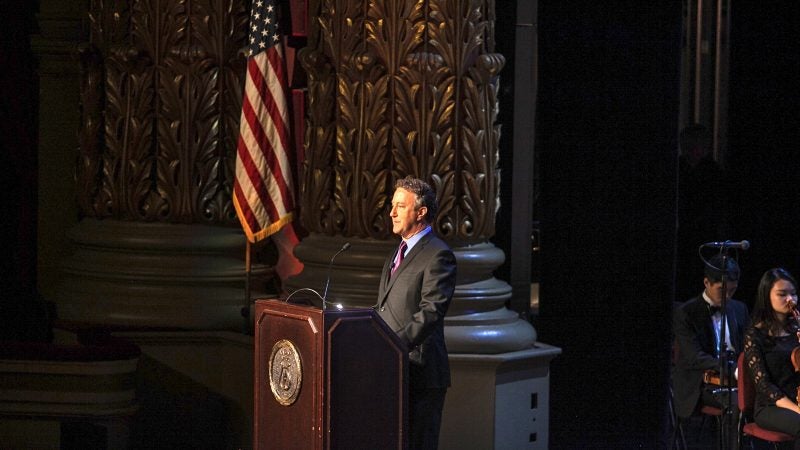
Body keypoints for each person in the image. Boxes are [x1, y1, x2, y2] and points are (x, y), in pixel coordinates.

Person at [375, 176, 457, 450]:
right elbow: (384, 308)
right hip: (393, 370)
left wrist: (392, 346)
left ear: (421, 212)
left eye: (400, 205)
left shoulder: (438, 255)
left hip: (420, 374)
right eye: (392, 205)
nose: (392, 212)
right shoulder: (396, 252)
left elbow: (431, 312)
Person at [673, 254, 749, 420]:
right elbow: (694, 357)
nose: (727, 296)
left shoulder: (739, 308)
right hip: (700, 383)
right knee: (739, 405)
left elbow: (747, 346)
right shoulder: (686, 313)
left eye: (732, 290)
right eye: (722, 290)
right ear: (707, 283)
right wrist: (731, 369)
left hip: (735, 379)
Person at [743, 268, 800, 436]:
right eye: (782, 294)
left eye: (794, 294)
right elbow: (764, 386)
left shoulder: (797, 329)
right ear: (766, 296)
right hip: (772, 406)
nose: (790, 299)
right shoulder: (755, 335)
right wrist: (797, 409)